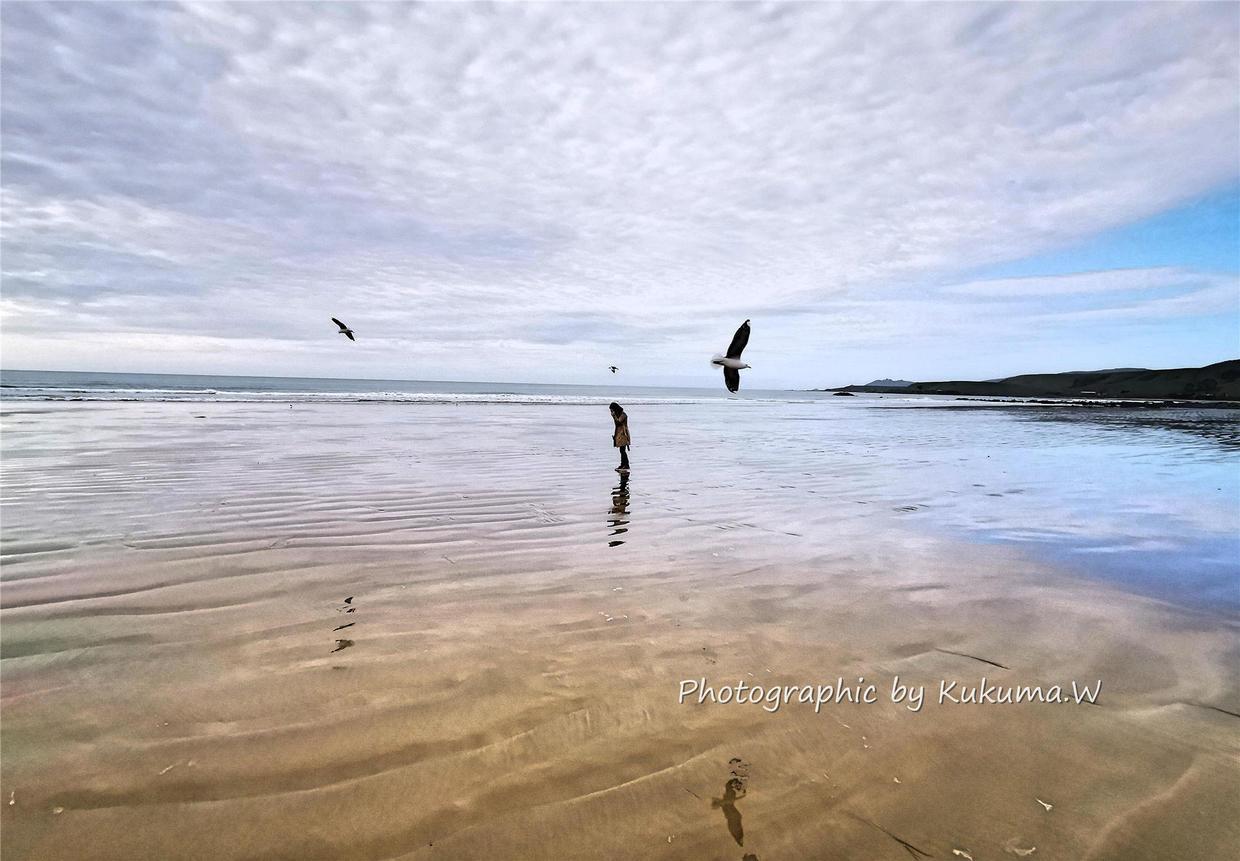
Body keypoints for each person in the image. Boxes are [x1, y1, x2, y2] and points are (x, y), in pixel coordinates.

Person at [609, 402, 630, 472]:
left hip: (623, 434)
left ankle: (626, 465)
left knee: (622, 450)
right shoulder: (619, 415)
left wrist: (613, 416)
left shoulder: (623, 415)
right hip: (619, 433)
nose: (611, 412)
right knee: (621, 450)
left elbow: (618, 422)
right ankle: (622, 464)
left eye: (612, 410)